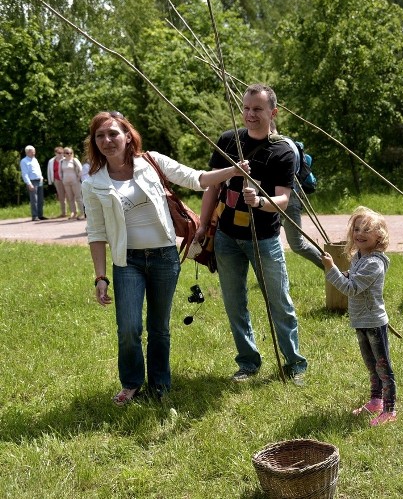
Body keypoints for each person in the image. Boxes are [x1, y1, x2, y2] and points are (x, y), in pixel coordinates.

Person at [82, 111, 249, 406]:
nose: (107, 140)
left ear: (127, 136)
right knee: (129, 327)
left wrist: (231, 171)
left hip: (164, 257)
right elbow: (96, 232)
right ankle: (132, 382)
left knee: (159, 326)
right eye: (100, 136)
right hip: (127, 262)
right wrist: (100, 276)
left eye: (113, 134)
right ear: (94, 142)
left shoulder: (152, 162)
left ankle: (160, 383)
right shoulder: (93, 183)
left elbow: (197, 179)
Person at [197, 83, 309, 385]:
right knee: (235, 303)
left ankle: (295, 363)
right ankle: (248, 362)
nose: (249, 114)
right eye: (246, 108)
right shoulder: (228, 141)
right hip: (227, 237)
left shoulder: (283, 151)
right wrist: (202, 225)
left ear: (273, 112)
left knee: (279, 301)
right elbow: (213, 188)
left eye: (257, 109)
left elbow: (284, 199)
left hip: (264, 239)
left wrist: (259, 201)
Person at [322, 206, 398, 426]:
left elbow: (351, 288)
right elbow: (352, 277)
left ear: (379, 235)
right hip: (360, 321)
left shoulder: (374, 263)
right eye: (357, 229)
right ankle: (376, 401)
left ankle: (390, 409)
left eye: (367, 229)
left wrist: (332, 269)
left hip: (374, 323)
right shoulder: (358, 257)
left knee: (383, 366)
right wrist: (342, 272)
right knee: (371, 364)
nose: (360, 234)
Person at [271, 122, 323, 270]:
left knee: (297, 244)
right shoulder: (278, 143)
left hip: (290, 197)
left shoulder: (284, 146)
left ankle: (332, 268)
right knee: (268, 240)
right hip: (272, 198)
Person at [20, 145, 46, 221]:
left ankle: (40, 215)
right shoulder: (24, 161)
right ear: (27, 152)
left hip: (39, 180)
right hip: (32, 181)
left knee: (40, 199)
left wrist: (41, 177)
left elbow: (38, 169)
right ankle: (35, 216)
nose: (34, 153)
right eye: (32, 151)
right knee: (34, 199)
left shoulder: (35, 159)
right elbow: (24, 174)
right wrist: (29, 183)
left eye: (34, 151)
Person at [60, 147, 85, 220]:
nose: (69, 154)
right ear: (64, 154)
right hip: (66, 182)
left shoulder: (74, 160)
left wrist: (78, 178)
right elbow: (60, 172)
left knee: (78, 197)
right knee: (70, 198)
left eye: (71, 153)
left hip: (75, 181)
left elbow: (81, 169)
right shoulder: (61, 161)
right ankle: (73, 213)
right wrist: (62, 179)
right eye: (67, 153)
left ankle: (82, 213)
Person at [46, 146, 67, 218]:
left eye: (62, 153)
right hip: (57, 180)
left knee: (70, 196)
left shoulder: (65, 160)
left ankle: (74, 212)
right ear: (55, 153)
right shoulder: (51, 161)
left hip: (66, 179)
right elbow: (49, 171)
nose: (61, 154)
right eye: (59, 153)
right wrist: (50, 181)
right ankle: (64, 213)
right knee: (61, 197)